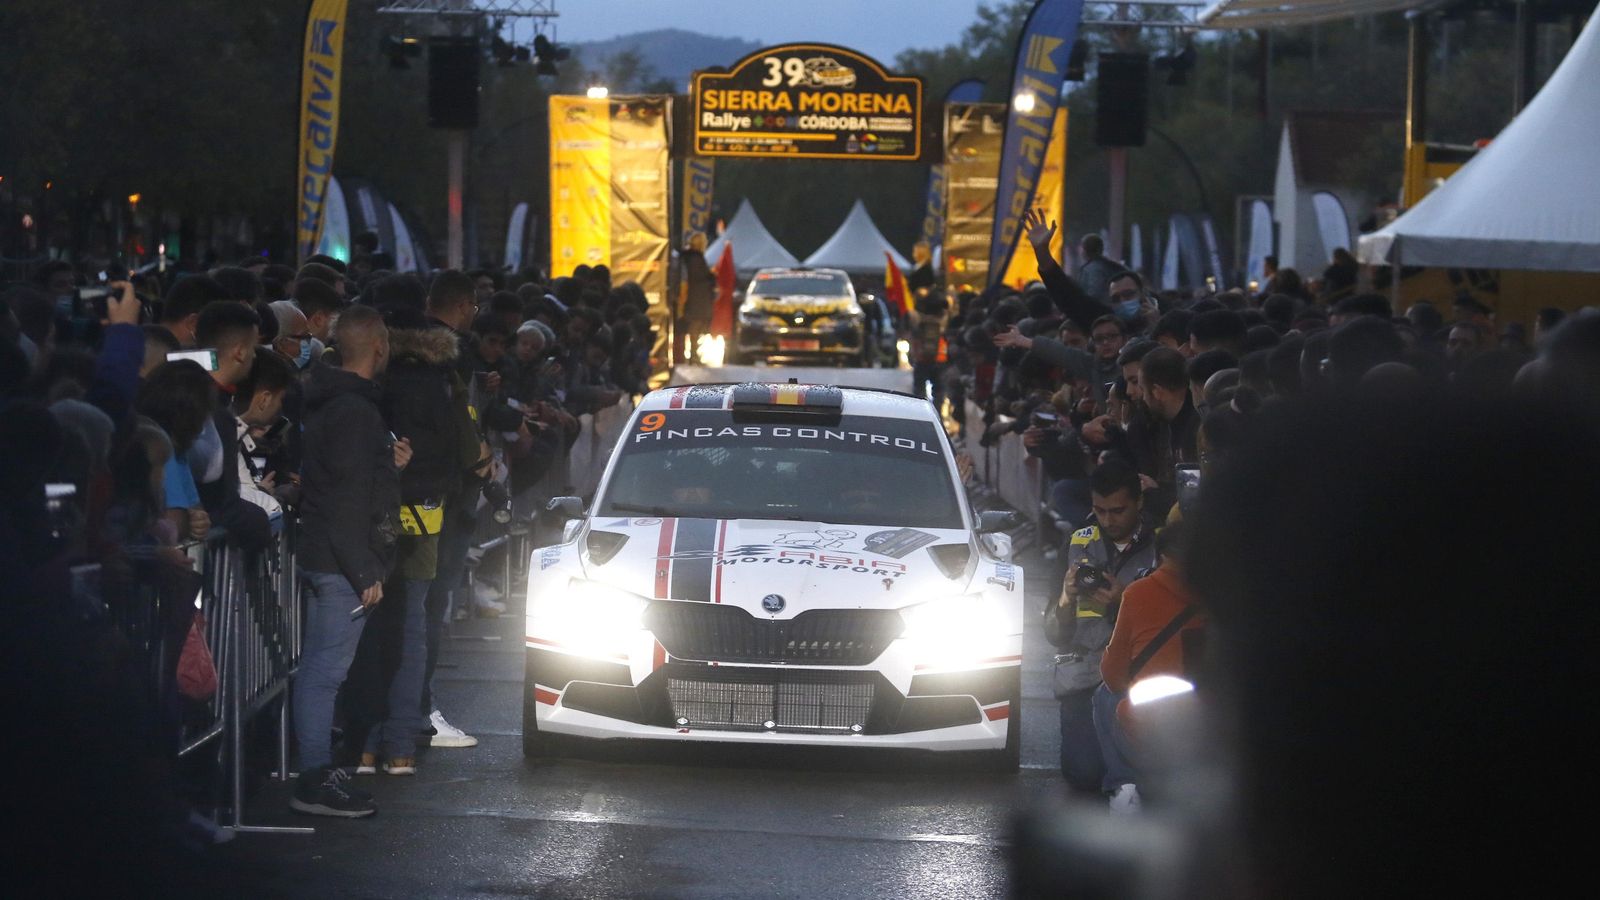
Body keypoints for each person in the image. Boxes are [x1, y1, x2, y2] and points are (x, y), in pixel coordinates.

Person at [291, 305, 408, 818]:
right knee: (324, 674)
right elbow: (346, 499)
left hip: (330, 556)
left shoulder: (333, 402)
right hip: (341, 563)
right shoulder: (355, 411)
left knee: (321, 672)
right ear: (379, 347)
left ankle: (317, 773)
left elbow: (347, 485)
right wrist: (364, 570)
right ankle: (313, 780)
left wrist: (388, 466)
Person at [1044, 459, 1158, 794]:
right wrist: (1066, 598)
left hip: (1139, 680)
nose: (1108, 520)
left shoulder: (1161, 546)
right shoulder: (1076, 542)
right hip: (1083, 679)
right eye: (1100, 510)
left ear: (1139, 501)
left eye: (1118, 511)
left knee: (1148, 778)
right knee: (1084, 775)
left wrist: (1125, 603)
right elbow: (1053, 634)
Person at [1094, 522, 1205, 814]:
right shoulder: (1229, 598)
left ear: (1160, 556)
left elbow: (1113, 677)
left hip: (1151, 732)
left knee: (1105, 697)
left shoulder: (1139, 592)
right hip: (1214, 731)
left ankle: (1125, 788)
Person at [677, 232, 714, 364]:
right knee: (695, 327)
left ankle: (692, 354)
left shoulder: (689, 258)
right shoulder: (696, 259)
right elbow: (699, 278)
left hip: (694, 298)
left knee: (695, 327)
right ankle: (693, 355)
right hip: (697, 299)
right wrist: (712, 277)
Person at [1076, 233, 1121, 303]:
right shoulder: (1111, 265)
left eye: (1081, 247)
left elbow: (1095, 294)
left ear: (1085, 250)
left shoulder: (1093, 269)